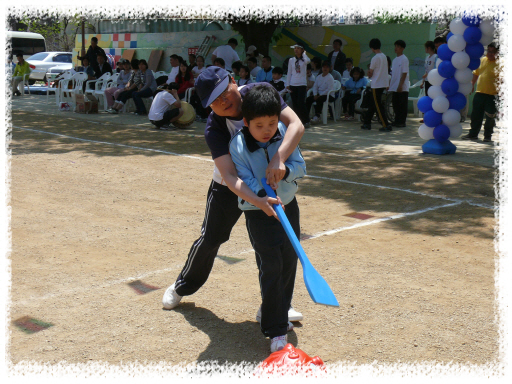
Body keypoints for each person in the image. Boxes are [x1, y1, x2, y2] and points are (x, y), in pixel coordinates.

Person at [161, 67, 305, 328]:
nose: (222, 102)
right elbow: (229, 175)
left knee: (276, 245)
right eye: (214, 101)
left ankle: (276, 305)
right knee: (211, 238)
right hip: (230, 186)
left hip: (269, 181)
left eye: (224, 93)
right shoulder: (214, 129)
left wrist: (278, 158)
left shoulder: (262, 94)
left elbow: (296, 124)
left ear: (234, 82)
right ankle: (182, 286)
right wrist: (256, 200)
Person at [228, 84, 306, 352]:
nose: (267, 130)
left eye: (272, 123)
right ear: (246, 122)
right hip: (259, 212)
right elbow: (244, 178)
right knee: (271, 264)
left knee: (288, 261)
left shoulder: (284, 136)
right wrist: (261, 196)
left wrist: (284, 171)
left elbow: (300, 166)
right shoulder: (237, 145)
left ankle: (276, 311)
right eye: (259, 125)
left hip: (288, 207)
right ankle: (276, 330)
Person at [462, 43, 500, 142]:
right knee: (476, 115)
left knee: (490, 117)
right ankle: (473, 134)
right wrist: (471, 85)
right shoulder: (482, 60)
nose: (490, 54)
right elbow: (476, 73)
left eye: (493, 52)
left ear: (498, 53)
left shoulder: (502, 64)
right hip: (479, 93)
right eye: (489, 51)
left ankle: (487, 136)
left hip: (493, 95)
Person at [361, 38, 391, 131]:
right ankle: (367, 123)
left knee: (378, 106)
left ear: (372, 48)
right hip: (382, 83)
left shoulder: (375, 58)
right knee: (372, 104)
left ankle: (386, 125)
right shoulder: (384, 57)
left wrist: (369, 74)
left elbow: (370, 72)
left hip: (376, 84)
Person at [286, 44, 310, 126]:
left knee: (301, 102)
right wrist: (287, 84)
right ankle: (297, 121)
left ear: (302, 50)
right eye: (295, 48)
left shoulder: (304, 59)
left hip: (302, 84)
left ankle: (306, 120)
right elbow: (289, 72)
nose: (296, 50)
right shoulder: (291, 60)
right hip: (293, 83)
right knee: (295, 103)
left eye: (298, 48)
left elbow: (308, 61)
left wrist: (304, 54)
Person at [388, 40, 410, 128]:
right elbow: (394, 74)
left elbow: (404, 73)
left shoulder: (404, 59)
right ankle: (396, 120)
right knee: (395, 104)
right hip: (394, 86)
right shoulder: (394, 60)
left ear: (402, 48)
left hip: (402, 86)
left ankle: (402, 121)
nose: (396, 48)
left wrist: (400, 85)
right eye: (395, 46)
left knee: (402, 105)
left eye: (398, 47)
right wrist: (390, 84)